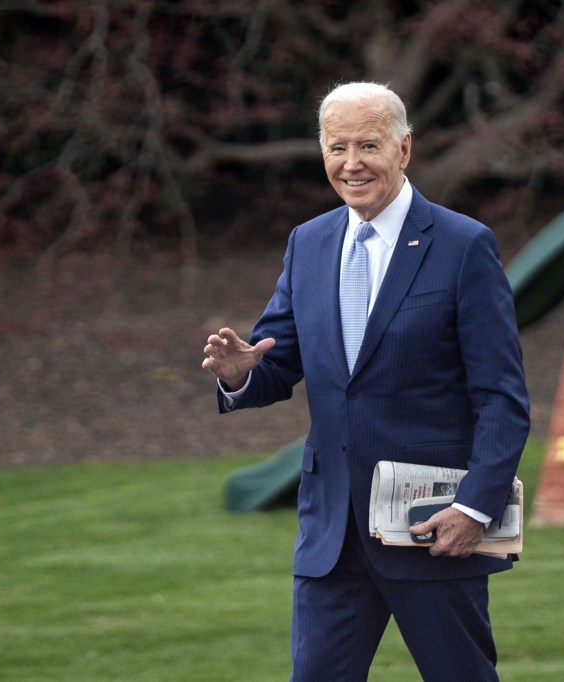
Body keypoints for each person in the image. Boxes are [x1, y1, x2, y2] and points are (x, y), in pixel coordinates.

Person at [201, 81, 530, 681]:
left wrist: (474, 508)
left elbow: (502, 398)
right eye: (337, 147)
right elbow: (278, 360)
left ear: (404, 150)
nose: (351, 163)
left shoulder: (463, 246)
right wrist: (239, 376)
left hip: (433, 527)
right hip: (332, 534)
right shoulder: (309, 242)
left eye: (368, 145)